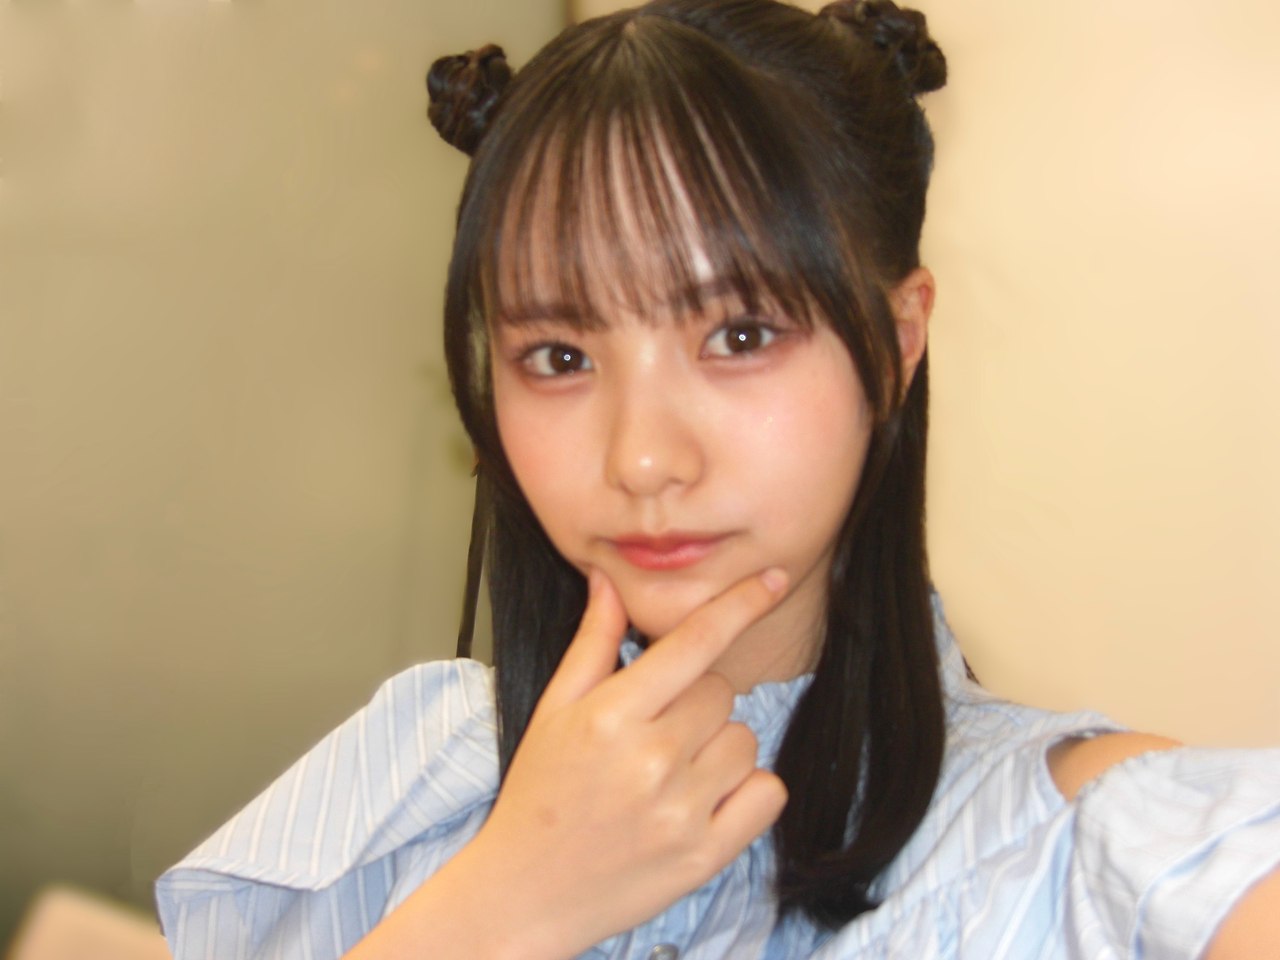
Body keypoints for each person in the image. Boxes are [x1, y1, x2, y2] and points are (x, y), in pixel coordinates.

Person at [155, 1, 1280, 957]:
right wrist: (503, 903)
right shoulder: (411, 782)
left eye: (739, 336)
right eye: (559, 357)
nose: (642, 458)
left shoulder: (1085, 848)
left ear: (896, 344)